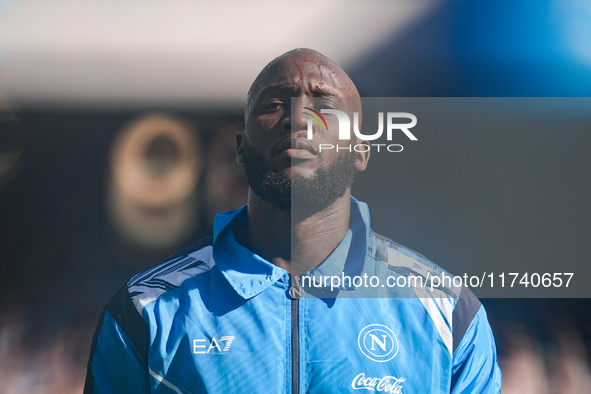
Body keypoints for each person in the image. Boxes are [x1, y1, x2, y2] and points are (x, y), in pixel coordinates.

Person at [84, 48, 502, 393]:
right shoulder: (146, 310)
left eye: (324, 104)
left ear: (361, 150)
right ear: (241, 149)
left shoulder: (447, 314)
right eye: (272, 105)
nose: (299, 118)